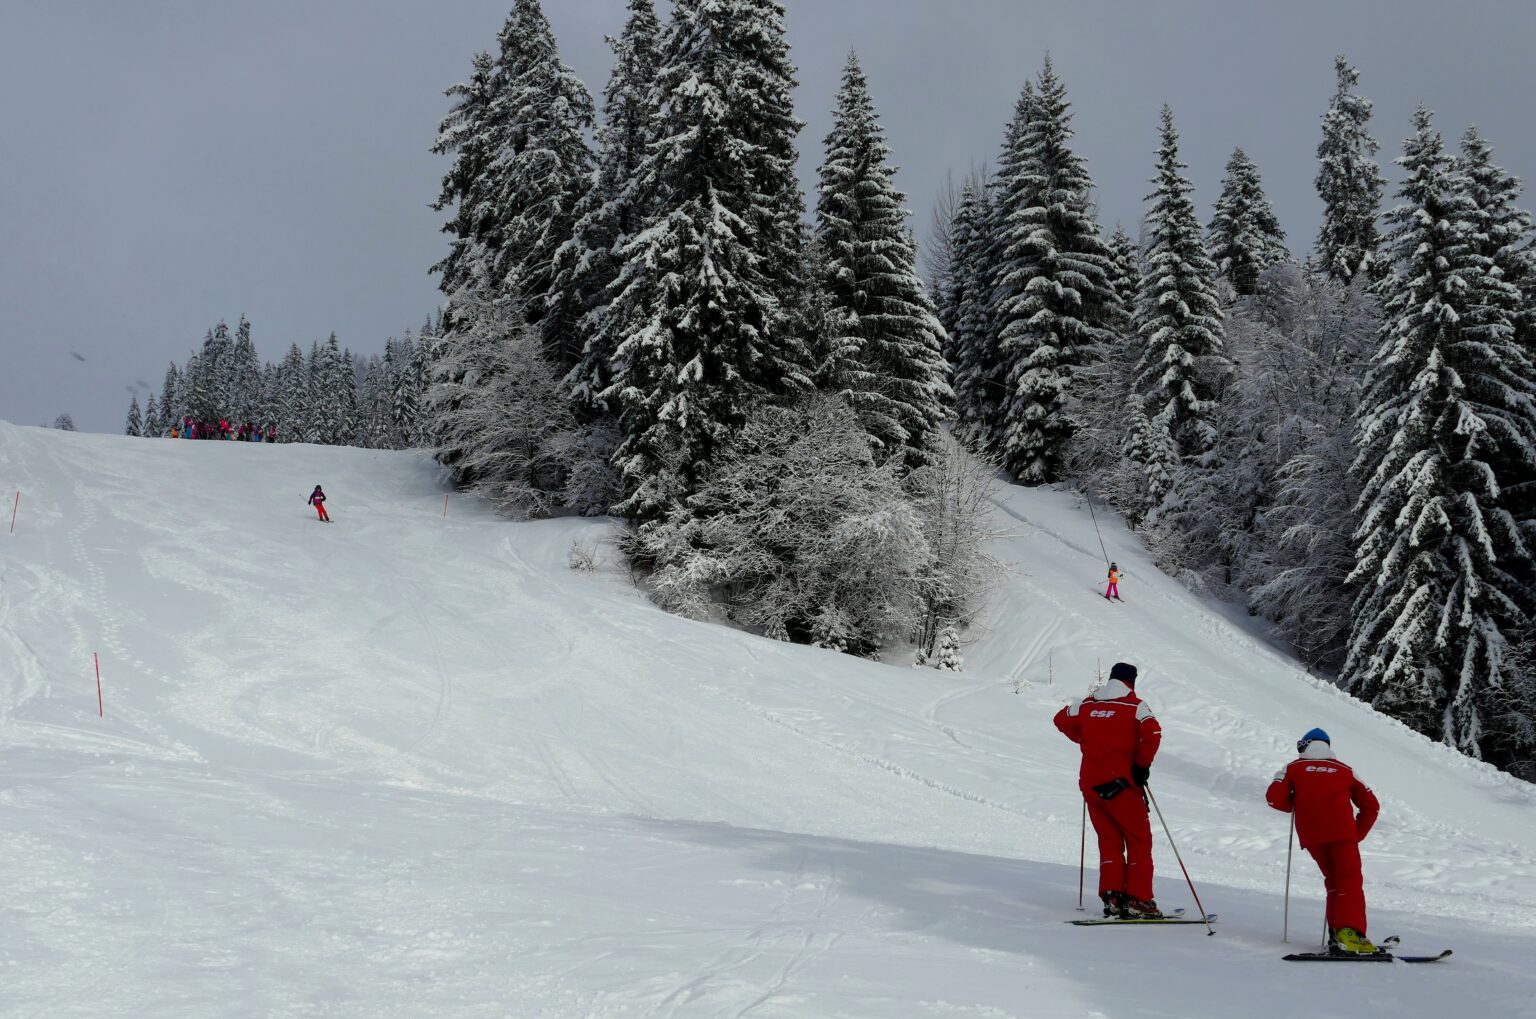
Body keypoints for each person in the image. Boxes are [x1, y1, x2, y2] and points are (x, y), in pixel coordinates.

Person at [1054, 662, 1162, 918]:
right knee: (1139, 840)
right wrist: (1141, 766)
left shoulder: (1088, 704)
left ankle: (1113, 897)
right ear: (1131, 682)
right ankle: (1139, 900)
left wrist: (1086, 739)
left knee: (1109, 840)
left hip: (1091, 785)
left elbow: (1060, 719)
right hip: (1121, 785)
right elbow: (1153, 733)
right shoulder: (1135, 706)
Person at [1266, 728, 1380, 955]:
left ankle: (1339, 934)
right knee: (1349, 882)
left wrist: (1288, 794)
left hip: (1312, 837)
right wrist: (1357, 833)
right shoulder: (1345, 770)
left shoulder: (1292, 768)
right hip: (1343, 835)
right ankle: (1350, 935)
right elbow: (1371, 806)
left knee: (1334, 882)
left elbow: (1275, 799)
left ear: (1304, 746)